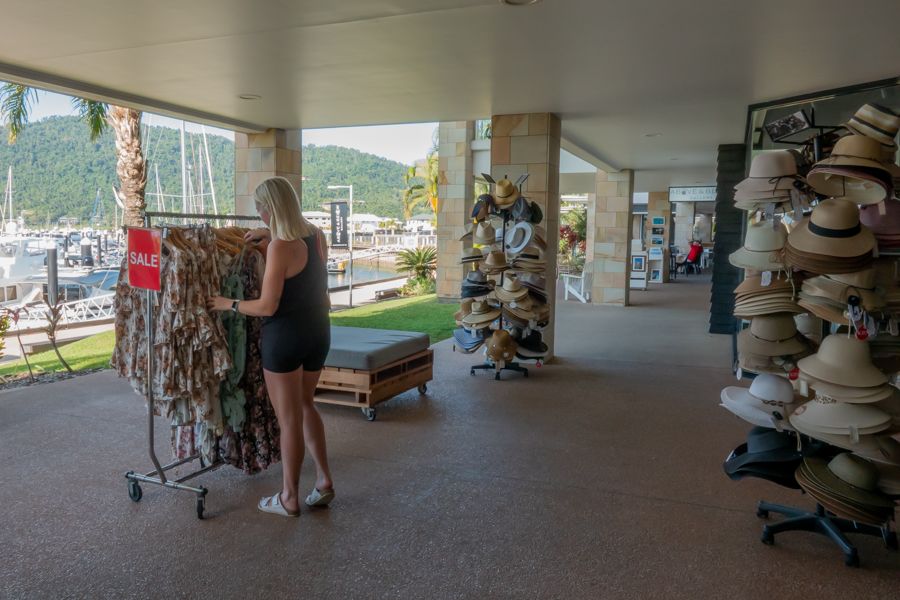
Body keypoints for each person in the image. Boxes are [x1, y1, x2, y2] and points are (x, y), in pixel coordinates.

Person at [207, 176, 335, 517]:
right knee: (307, 406)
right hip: (318, 332)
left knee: (289, 419)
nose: (260, 215)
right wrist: (268, 241)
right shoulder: (317, 235)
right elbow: (302, 275)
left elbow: (267, 306)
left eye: (261, 209)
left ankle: (288, 497)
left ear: (271, 207)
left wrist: (227, 303)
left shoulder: (280, 246)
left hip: (285, 338)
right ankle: (323, 482)